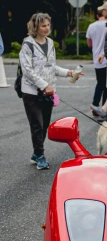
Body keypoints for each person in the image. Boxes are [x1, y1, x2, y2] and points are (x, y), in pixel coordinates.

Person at [19, 13, 82, 170]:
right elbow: (27, 70)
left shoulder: (51, 43)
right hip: (32, 92)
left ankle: (36, 152)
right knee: (37, 125)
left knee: (44, 125)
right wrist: (43, 85)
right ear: (35, 27)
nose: (47, 28)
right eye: (43, 26)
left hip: (48, 92)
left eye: (48, 25)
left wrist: (69, 72)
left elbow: (51, 67)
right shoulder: (28, 45)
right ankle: (40, 156)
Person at [86, 9, 107, 115]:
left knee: (100, 83)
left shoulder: (91, 26)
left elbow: (89, 44)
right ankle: (105, 107)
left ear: (96, 15)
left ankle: (95, 105)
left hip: (97, 60)